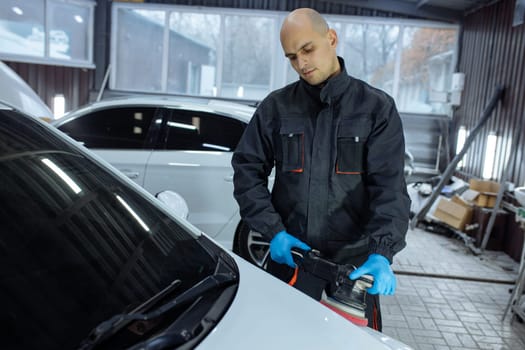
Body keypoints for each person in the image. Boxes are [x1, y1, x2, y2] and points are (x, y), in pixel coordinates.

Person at [231, 7, 410, 331]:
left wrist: (382, 252)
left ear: (331, 38)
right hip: (291, 263)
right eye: (291, 57)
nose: (301, 63)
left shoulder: (376, 109)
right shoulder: (276, 108)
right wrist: (274, 232)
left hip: (351, 273)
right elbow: (246, 171)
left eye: (307, 49)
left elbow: (390, 188)